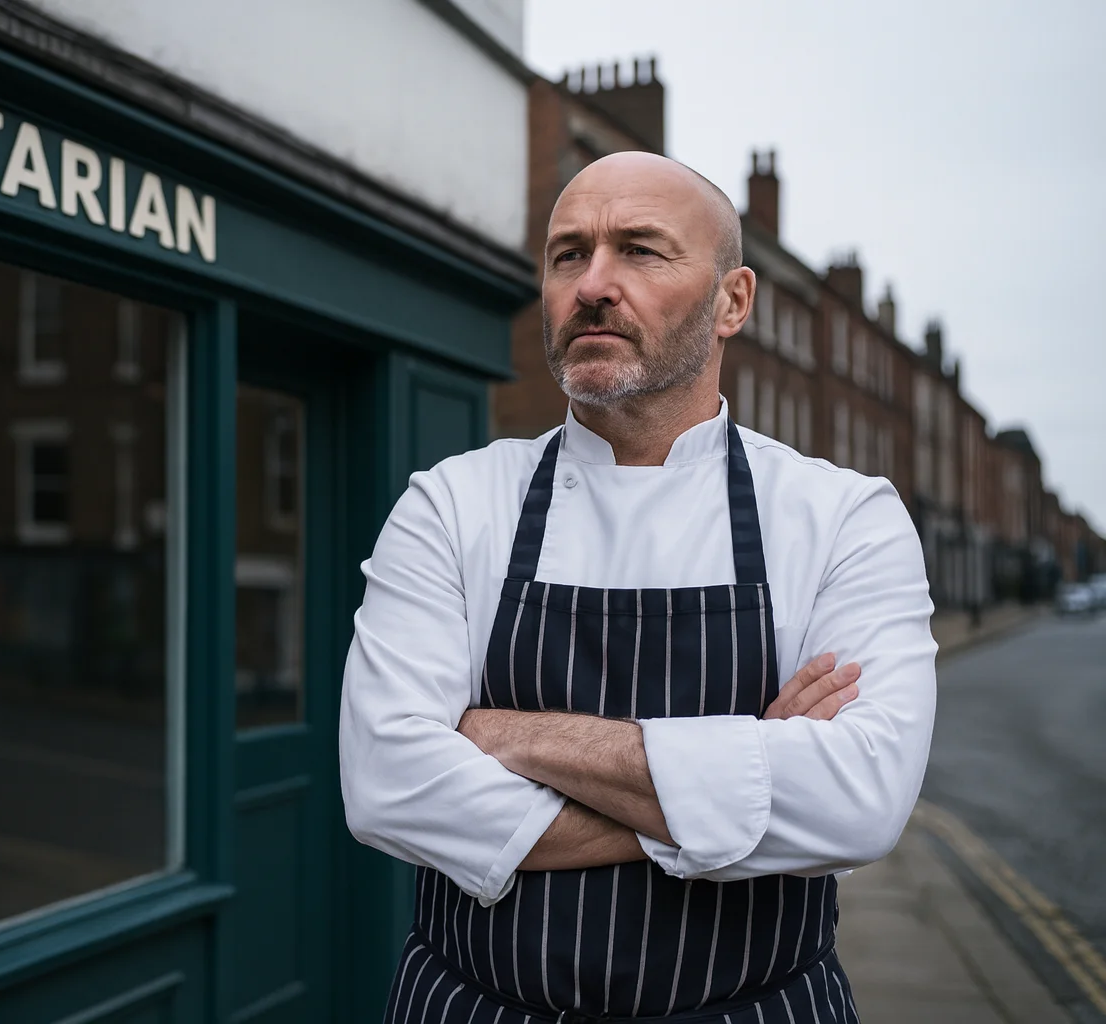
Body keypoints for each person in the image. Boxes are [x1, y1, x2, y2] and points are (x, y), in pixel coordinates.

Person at [338, 152, 937, 1023]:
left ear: (733, 301)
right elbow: (387, 785)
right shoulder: (452, 504)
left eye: (641, 250)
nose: (592, 285)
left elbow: (860, 802)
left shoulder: (843, 517)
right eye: (568, 254)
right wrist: (738, 779)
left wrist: (511, 736)